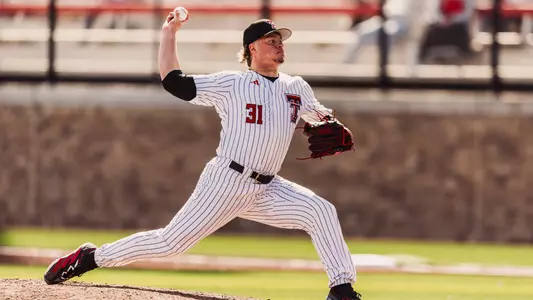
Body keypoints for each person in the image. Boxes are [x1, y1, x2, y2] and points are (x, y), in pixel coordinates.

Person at [43, 8, 363, 300]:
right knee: (170, 244)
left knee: (320, 211)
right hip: (227, 180)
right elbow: (175, 83)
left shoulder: (297, 87)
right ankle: (91, 258)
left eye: (280, 39)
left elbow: (323, 121)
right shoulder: (233, 83)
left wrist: (332, 127)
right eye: (271, 39)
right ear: (252, 48)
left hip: (267, 188)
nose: (279, 44)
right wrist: (169, 33)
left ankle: (342, 289)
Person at [342, 0, 417, 64]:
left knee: (388, 33)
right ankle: (346, 65)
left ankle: (385, 68)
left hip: (403, 26)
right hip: (387, 21)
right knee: (361, 31)